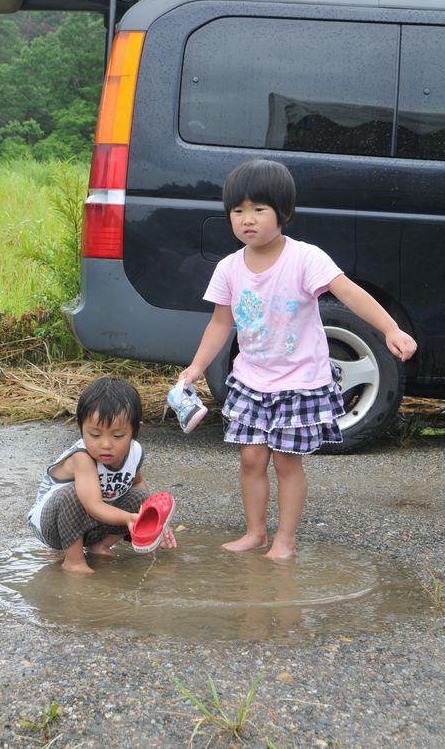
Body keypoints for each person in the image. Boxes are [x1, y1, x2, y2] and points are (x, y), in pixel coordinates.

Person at [179, 159, 417, 560]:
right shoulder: (229, 268)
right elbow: (221, 324)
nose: (247, 220)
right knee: (251, 457)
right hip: (252, 380)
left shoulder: (306, 258)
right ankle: (255, 532)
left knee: (287, 462)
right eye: (237, 211)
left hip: (299, 381)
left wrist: (391, 328)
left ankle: (284, 540)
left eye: (258, 209)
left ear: (283, 212)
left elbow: (350, 293)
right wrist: (197, 366)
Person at [27, 376, 176, 574]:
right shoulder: (82, 458)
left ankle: (101, 546)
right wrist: (130, 519)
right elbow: (92, 505)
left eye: (117, 436)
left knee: (140, 499)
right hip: (51, 525)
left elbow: (137, 482)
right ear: (81, 428)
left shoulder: (134, 452)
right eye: (95, 435)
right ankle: (73, 560)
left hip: (91, 525)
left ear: (135, 430)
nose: (105, 445)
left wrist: (152, 523)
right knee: (73, 495)